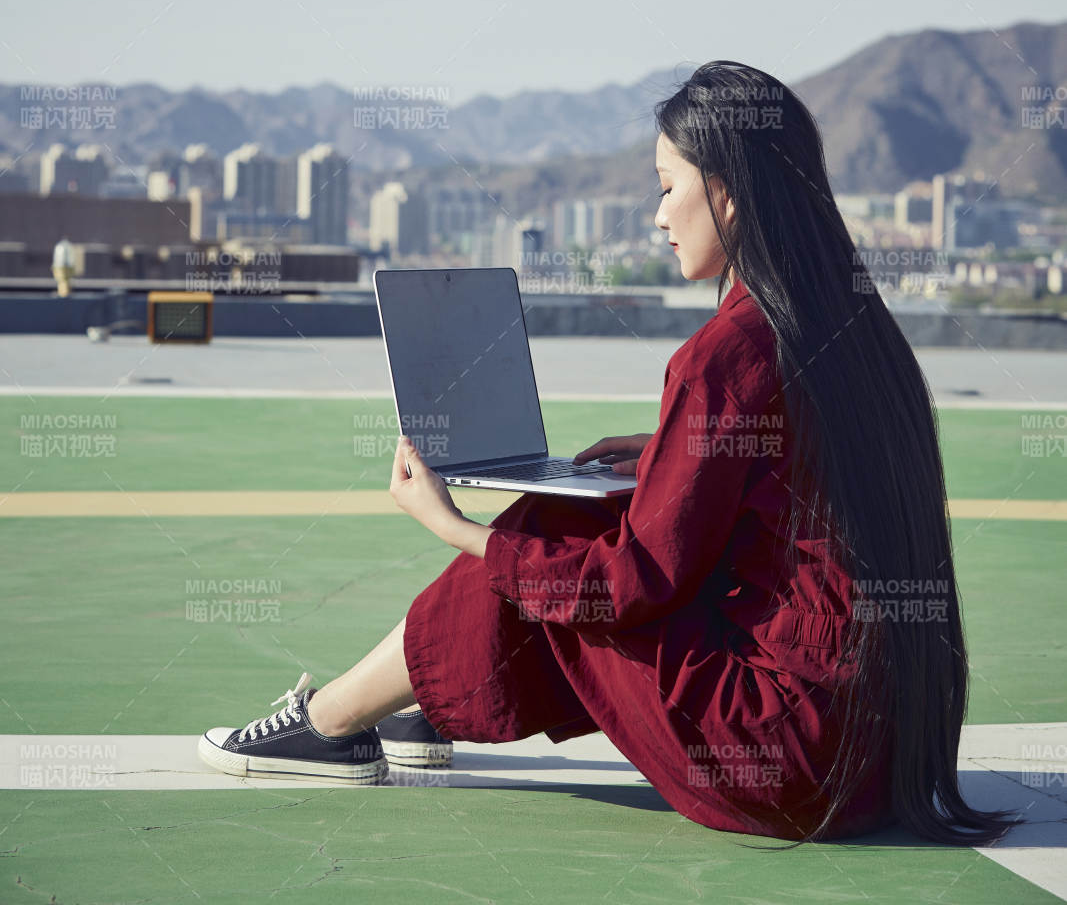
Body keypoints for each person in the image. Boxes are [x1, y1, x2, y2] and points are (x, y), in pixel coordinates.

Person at [198, 61, 1018, 845]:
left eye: (666, 188)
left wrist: (457, 528)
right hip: (879, 756)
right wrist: (664, 453)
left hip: (784, 759)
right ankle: (412, 703)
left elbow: (631, 588)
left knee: (553, 535)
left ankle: (331, 723)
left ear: (726, 194)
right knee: (580, 516)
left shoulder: (725, 351)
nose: (657, 217)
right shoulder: (856, 328)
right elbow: (796, 475)